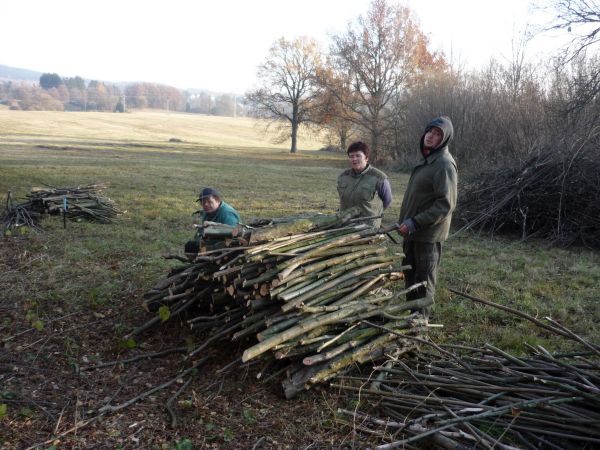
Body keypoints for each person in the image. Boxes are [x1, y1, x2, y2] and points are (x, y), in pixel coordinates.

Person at [396, 116, 458, 313]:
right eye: (430, 131)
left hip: (427, 236)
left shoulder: (444, 164)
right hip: (412, 233)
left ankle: (420, 325)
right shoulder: (428, 160)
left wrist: (415, 222)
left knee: (423, 282)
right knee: (411, 277)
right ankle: (411, 318)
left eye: (438, 134)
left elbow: (445, 204)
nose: (431, 136)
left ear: (445, 139)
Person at [337, 141, 392, 229]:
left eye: (358, 156)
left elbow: (387, 200)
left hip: (367, 227)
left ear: (366, 158)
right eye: (351, 156)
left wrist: (375, 213)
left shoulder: (379, 177)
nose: (354, 159)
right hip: (345, 225)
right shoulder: (343, 177)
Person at [184, 187, 241, 254]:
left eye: (209, 201)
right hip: (211, 240)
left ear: (218, 201)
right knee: (190, 246)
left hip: (224, 245)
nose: (205, 204)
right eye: (203, 202)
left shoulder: (227, 214)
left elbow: (233, 236)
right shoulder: (208, 211)